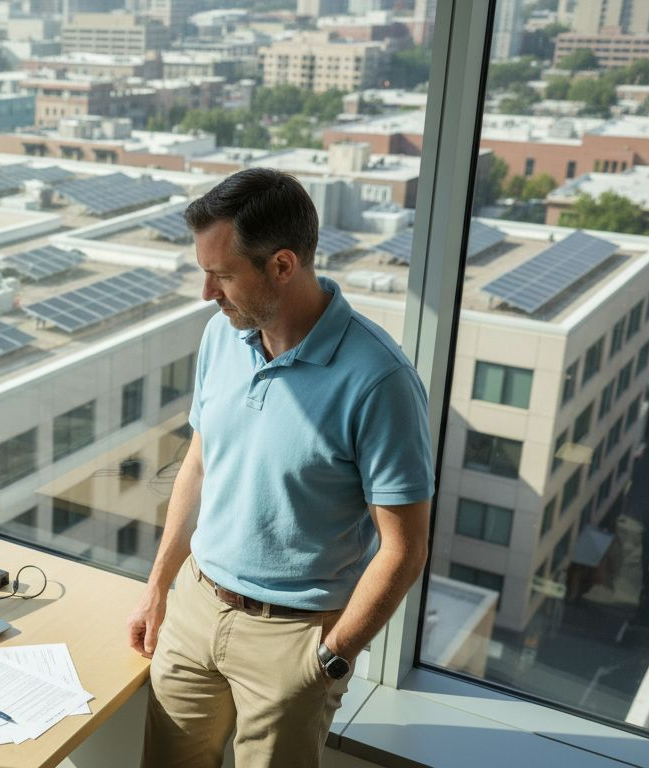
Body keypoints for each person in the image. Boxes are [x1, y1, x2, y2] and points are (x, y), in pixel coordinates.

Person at [126, 168, 434, 768]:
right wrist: (160, 586)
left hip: (292, 638)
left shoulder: (381, 381)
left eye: (221, 275)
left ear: (283, 266)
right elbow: (199, 461)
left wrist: (331, 658)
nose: (207, 293)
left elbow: (405, 548)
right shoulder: (221, 336)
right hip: (194, 608)